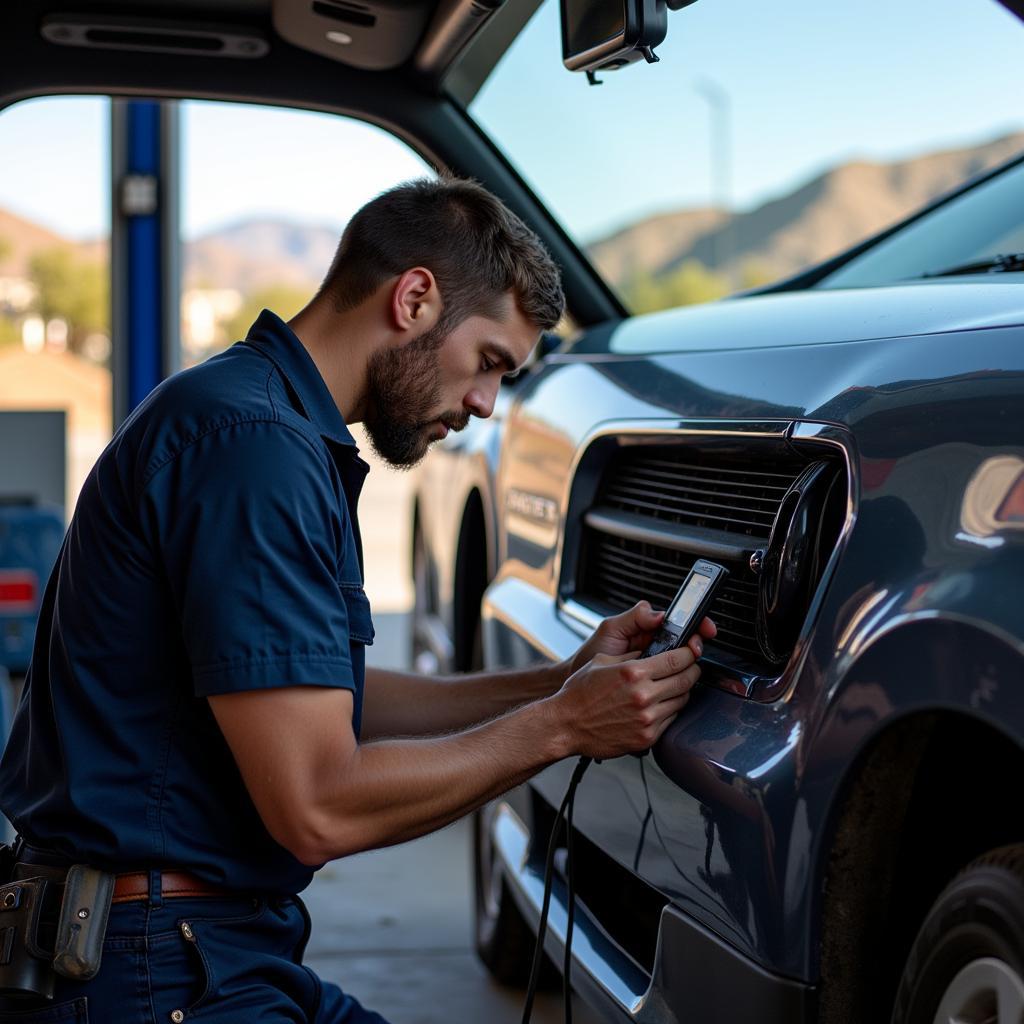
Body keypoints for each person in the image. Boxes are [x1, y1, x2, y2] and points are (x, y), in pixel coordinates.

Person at [0, 177, 714, 1022]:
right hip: (150, 969)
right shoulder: (255, 450)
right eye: (488, 361)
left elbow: (327, 701)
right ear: (414, 298)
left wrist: (555, 683)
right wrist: (563, 728)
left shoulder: (264, 421)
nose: (486, 405)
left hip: (205, 946)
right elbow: (317, 806)